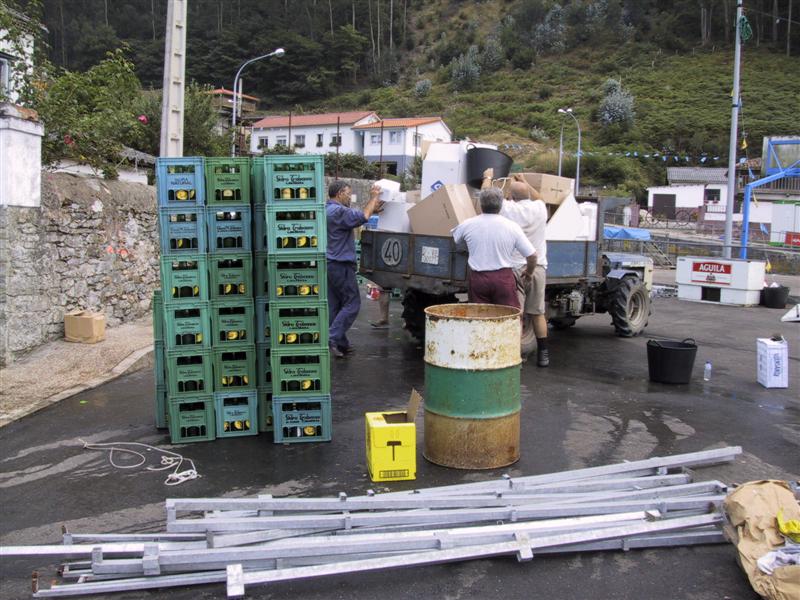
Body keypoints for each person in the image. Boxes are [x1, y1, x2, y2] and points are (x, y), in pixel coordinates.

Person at [452, 187, 537, 309]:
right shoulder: (512, 227)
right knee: (508, 315)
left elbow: (456, 240)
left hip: (478, 279)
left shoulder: (467, 224)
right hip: (503, 279)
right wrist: (529, 273)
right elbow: (532, 255)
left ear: (481, 204)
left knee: (479, 316)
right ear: (501, 204)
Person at [326, 181, 382, 358]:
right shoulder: (339, 211)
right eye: (348, 194)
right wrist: (374, 197)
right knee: (352, 304)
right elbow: (363, 216)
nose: (350, 197)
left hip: (330, 263)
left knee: (336, 306)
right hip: (341, 264)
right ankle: (332, 338)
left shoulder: (327, 210)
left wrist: (373, 208)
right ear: (340, 193)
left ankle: (341, 343)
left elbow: (361, 215)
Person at [500, 177, 551, 367]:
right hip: (537, 267)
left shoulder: (508, 209)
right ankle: (543, 354)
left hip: (515, 268)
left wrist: (488, 178)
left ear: (511, 196)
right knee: (538, 313)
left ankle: (516, 358)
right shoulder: (540, 208)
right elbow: (540, 198)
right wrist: (525, 181)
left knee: (516, 315)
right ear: (528, 194)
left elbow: (487, 197)